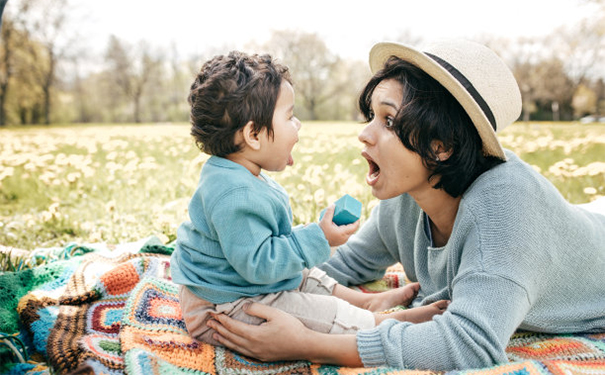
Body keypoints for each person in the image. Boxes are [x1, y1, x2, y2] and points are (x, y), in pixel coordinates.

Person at [206, 40, 605, 371]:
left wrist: (309, 343)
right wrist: (230, 282)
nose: (364, 134)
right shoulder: (407, 201)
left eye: (389, 122)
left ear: (441, 146)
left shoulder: (508, 209)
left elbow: (469, 345)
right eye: (371, 116)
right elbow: (341, 268)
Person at [170, 51, 448, 347]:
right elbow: (261, 265)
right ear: (253, 134)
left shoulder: (236, 173)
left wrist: (310, 237)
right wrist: (319, 237)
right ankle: (380, 323)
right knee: (314, 311)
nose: (298, 125)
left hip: (239, 285)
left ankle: (365, 303)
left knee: (305, 274)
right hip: (225, 307)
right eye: (290, 117)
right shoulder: (235, 195)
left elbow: (265, 249)